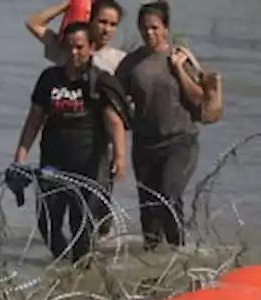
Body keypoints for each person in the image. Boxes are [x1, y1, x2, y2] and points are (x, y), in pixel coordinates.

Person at [14, 22, 129, 264]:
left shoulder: (100, 82)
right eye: (69, 47)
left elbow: (115, 123)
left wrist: (119, 157)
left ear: (91, 48)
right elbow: (34, 120)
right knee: (48, 222)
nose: (74, 53)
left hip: (89, 165)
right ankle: (64, 268)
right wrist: (20, 157)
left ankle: (81, 270)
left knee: (82, 225)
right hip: (53, 163)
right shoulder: (49, 79)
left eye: (79, 47)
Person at [114, 2, 204, 250]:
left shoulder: (180, 57)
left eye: (154, 28)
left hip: (180, 141)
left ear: (165, 28)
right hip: (145, 145)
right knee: (149, 210)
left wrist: (178, 70)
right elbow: (114, 99)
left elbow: (199, 98)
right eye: (144, 28)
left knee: (169, 195)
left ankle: (179, 252)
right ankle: (153, 264)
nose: (149, 33)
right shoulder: (131, 63)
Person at [27, 0, 128, 74]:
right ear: (91, 20)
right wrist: (70, 4)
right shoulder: (69, 49)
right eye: (102, 22)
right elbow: (33, 23)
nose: (107, 30)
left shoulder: (120, 60)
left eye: (113, 24)